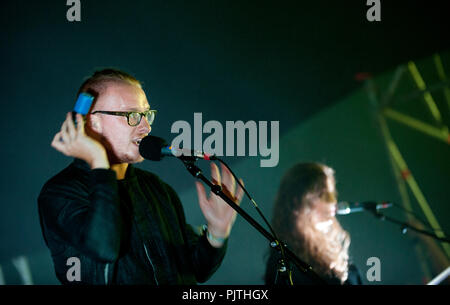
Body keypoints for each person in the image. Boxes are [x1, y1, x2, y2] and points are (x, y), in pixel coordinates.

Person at [38, 68, 244, 285]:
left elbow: (195, 271)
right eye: (132, 116)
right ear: (92, 123)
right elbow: (104, 247)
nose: (145, 126)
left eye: (147, 114)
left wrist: (216, 234)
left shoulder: (157, 188)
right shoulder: (61, 192)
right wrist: (98, 160)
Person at [265, 162, 362, 285]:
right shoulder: (284, 261)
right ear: (298, 202)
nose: (333, 201)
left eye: (332, 194)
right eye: (323, 195)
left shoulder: (338, 252)